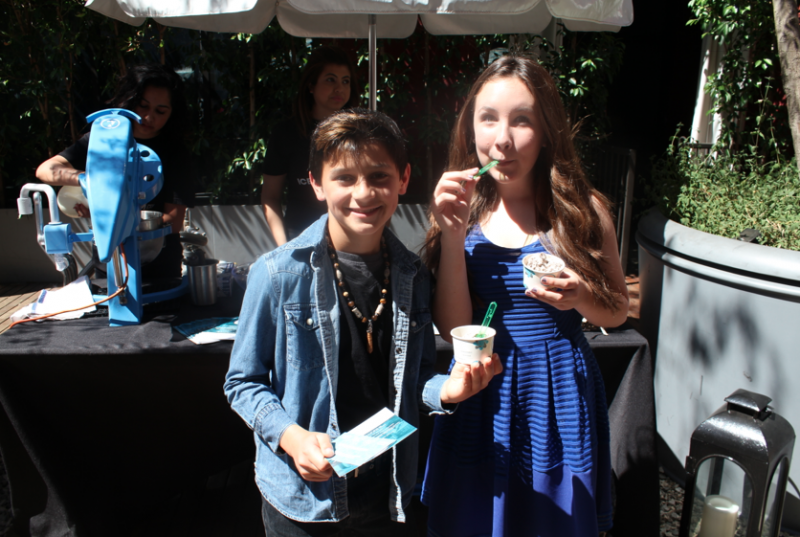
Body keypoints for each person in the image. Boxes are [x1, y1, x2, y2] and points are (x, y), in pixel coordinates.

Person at [225, 108, 503, 536]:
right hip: (305, 496)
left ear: (403, 180)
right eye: (345, 178)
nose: (364, 193)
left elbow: (419, 377)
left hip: (388, 488)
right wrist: (292, 437)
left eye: (379, 177)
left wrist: (448, 390)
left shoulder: (411, 274)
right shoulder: (277, 273)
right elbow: (242, 382)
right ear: (316, 183)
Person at [420, 55, 630, 536]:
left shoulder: (583, 211)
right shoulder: (460, 211)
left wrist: (579, 296)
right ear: (470, 126)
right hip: (479, 390)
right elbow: (455, 325)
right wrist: (451, 238)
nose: (503, 139)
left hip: (554, 394)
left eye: (522, 121)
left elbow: (617, 311)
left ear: (547, 130)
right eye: (488, 118)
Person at [36, 64, 195, 280]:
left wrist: (113, 214)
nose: (148, 117)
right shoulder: (104, 140)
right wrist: (90, 182)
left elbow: (174, 221)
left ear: (172, 113)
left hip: (160, 267)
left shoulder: (176, 152)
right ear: (130, 101)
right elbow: (46, 170)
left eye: (160, 111)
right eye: (142, 105)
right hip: (109, 267)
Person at [260, 45, 359, 246]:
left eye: (345, 81)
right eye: (330, 79)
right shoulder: (286, 133)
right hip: (300, 240)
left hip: (351, 241)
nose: (339, 88)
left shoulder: (360, 133)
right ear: (311, 85)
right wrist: (284, 247)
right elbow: (270, 197)